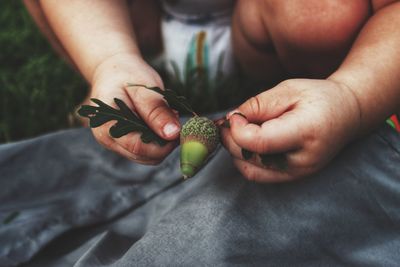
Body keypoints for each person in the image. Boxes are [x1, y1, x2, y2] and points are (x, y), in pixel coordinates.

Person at [23, 0, 400, 183]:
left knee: (321, 10)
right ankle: (131, 65)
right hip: (140, 18)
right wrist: (109, 57)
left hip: (264, 26)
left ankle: (308, 72)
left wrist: (351, 93)